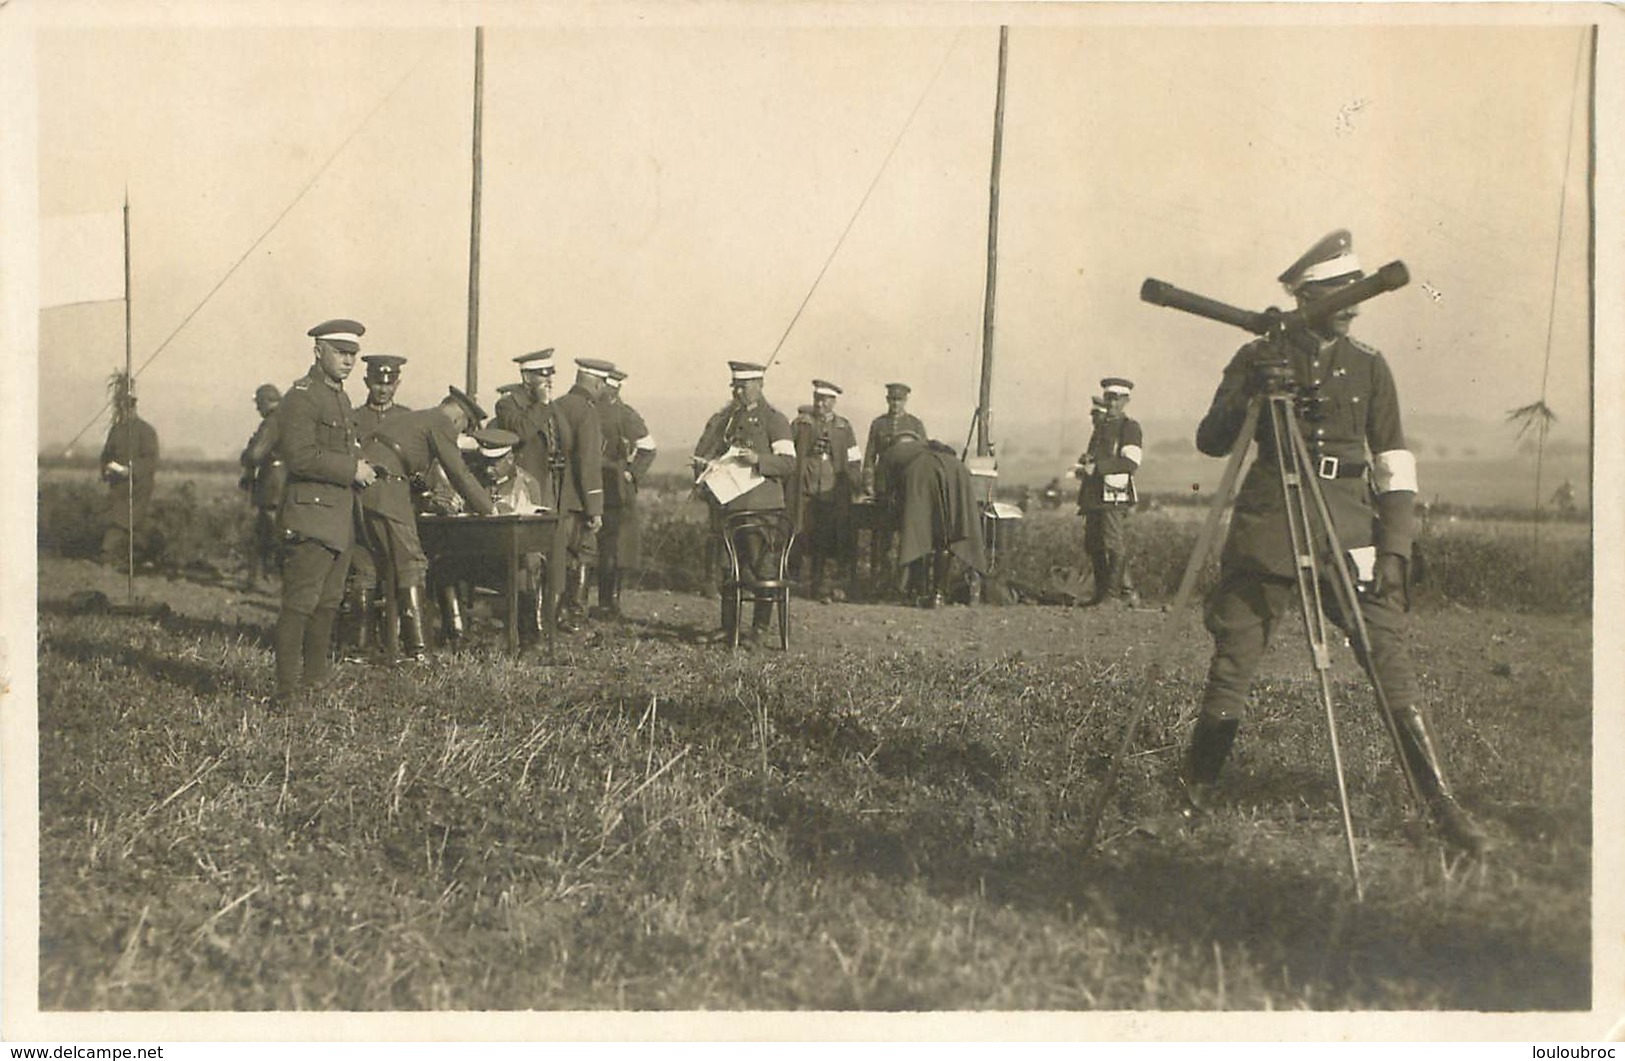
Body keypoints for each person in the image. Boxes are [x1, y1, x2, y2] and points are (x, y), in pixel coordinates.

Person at [1180, 229, 1489, 857]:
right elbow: (1212, 441)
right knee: (1234, 656)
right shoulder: (1255, 358)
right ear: (1306, 296)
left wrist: (1396, 546)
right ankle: (1192, 797)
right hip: (1269, 521)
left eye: (1355, 295)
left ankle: (1441, 805)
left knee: (1386, 655)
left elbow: (1394, 458)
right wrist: (1249, 386)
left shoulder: (1370, 366)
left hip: (1349, 523)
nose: (1351, 307)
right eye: (1337, 295)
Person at [271, 319, 375, 705]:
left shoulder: (340, 398)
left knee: (328, 604)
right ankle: (285, 692)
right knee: (300, 604)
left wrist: (358, 462)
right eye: (341, 353)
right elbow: (298, 457)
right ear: (318, 351)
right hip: (311, 517)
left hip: (338, 518)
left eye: (353, 355)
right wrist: (352, 470)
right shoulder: (303, 396)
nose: (349, 361)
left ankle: (315, 682)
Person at [359, 387, 496, 660]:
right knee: (412, 564)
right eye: (463, 429)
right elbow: (459, 471)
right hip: (388, 491)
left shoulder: (411, 419)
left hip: (365, 490)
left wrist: (427, 496)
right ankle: (418, 652)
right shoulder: (441, 422)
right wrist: (488, 508)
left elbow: (405, 464)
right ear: (458, 419)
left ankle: (358, 648)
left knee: (368, 567)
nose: (458, 434)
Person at [692, 360, 797, 645]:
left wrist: (759, 460)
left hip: (763, 509)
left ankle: (759, 630)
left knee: (762, 568)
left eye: (744, 386)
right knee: (729, 567)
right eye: (736, 386)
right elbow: (707, 449)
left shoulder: (775, 420)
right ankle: (730, 627)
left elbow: (788, 464)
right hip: (730, 505)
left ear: (760, 385)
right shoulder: (727, 419)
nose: (739, 392)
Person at [340, 354, 411, 662]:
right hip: (361, 505)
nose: (383, 389)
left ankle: (405, 645)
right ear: (366, 382)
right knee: (364, 571)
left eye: (389, 383)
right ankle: (360, 646)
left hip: (398, 506)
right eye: (377, 383)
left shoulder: (408, 419)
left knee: (405, 571)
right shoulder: (353, 419)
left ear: (397, 383)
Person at [878, 432, 988, 607]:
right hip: (956, 471)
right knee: (946, 535)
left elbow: (883, 493)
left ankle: (919, 592)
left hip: (921, 475)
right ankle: (938, 594)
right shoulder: (935, 448)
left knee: (919, 534)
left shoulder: (890, 454)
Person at [544, 358, 609, 633]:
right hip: (576, 499)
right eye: (603, 384)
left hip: (553, 495)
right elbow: (588, 464)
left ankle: (552, 615)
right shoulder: (587, 411)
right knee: (583, 554)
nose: (604, 389)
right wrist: (595, 508)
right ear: (595, 383)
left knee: (556, 557)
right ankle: (573, 617)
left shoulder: (557, 404)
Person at [789, 379, 862, 602]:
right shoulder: (801, 424)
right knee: (798, 531)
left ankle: (819, 583)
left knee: (824, 535)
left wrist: (853, 483)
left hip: (831, 489)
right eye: (817, 399)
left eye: (825, 400)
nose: (820, 404)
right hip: (805, 485)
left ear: (833, 402)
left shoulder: (843, 427)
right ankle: (791, 581)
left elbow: (854, 459)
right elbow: (788, 452)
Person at [593, 367, 657, 620]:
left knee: (610, 546)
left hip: (612, 486)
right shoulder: (620, 412)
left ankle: (608, 603)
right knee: (608, 546)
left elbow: (648, 448)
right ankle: (606, 603)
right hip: (609, 485)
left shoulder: (624, 415)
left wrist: (631, 472)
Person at [1074, 378, 1143, 607]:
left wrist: (1099, 468)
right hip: (1094, 494)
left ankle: (1113, 596)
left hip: (1115, 494)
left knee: (1113, 543)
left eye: (1116, 399)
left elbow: (1131, 462)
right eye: (1109, 398)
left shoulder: (1129, 428)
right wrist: (1086, 464)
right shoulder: (1102, 427)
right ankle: (1103, 592)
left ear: (1126, 401)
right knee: (1093, 543)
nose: (1112, 403)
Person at [861, 382, 927, 594]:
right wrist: (869, 483)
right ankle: (879, 582)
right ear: (887, 400)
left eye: (899, 400)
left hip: (907, 488)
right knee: (882, 537)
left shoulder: (915, 424)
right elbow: (870, 457)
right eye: (891, 400)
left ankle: (907, 584)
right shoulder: (878, 424)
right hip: (884, 486)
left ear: (905, 401)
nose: (895, 404)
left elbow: (924, 457)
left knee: (909, 534)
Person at [98, 374, 160, 570]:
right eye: (122, 407)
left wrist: (131, 471)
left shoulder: (146, 431)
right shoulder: (115, 431)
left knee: (132, 522)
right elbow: (106, 455)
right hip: (118, 486)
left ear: (134, 407)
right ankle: (118, 555)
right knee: (120, 520)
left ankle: (139, 555)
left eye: (128, 406)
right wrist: (107, 470)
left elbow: (150, 460)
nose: (125, 411)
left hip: (139, 486)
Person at [493, 349, 560, 514]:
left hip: (549, 478)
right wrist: (543, 404)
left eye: (550, 376)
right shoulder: (508, 404)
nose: (548, 381)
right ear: (527, 378)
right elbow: (521, 431)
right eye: (543, 376)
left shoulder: (547, 406)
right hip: (523, 480)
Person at [238, 383, 286, 590]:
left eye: (258, 403)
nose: (257, 408)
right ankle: (263, 579)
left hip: (272, 487)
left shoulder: (271, 422)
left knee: (267, 535)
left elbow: (255, 454)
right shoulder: (289, 419)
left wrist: (246, 457)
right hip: (285, 486)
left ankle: (261, 580)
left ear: (266, 401)